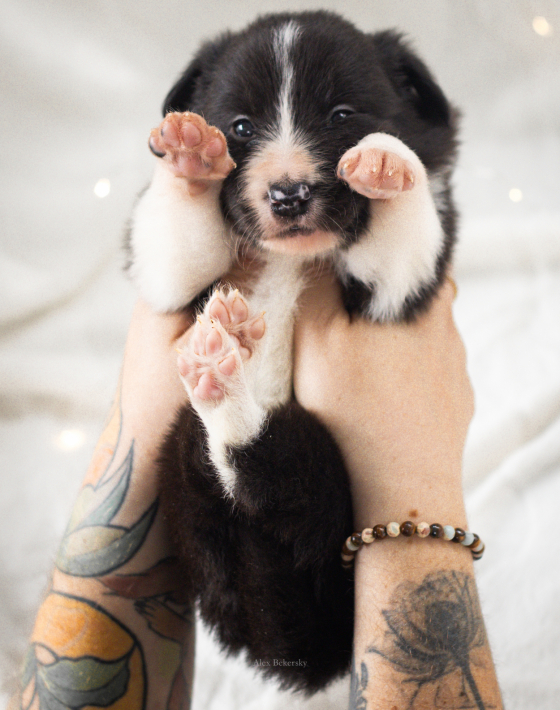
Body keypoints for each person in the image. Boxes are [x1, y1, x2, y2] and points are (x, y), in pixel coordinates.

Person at [14, 272, 503, 710]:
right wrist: (415, 486)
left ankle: (223, 432)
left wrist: (135, 434)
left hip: (295, 591)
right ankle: (229, 432)